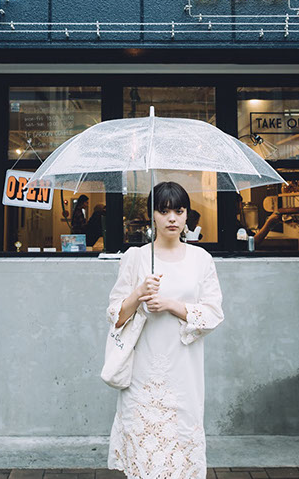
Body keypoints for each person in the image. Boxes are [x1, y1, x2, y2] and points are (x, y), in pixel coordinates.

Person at [106, 181, 224, 479]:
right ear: (152, 215)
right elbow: (116, 317)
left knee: (179, 452)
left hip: (184, 371)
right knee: (144, 453)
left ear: (187, 215)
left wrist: (171, 304)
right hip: (142, 372)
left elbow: (213, 314)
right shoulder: (136, 257)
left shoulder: (201, 259)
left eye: (179, 211)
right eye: (163, 211)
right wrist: (139, 293)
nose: (172, 218)